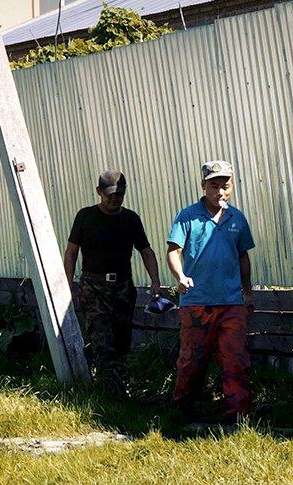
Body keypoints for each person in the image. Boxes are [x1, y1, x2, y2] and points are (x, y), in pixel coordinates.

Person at [167, 160, 255, 423]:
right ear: (203, 186)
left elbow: (243, 256)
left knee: (235, 359)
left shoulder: (236, 218)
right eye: (214, 186)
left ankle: (237, 415)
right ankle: (182, 411)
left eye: (225, 186)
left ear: (232, 186)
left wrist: (247, 292)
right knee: (192, 360)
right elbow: (173, 251)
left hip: (231, 303)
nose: (220, 192)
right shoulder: (187, 216)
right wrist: (180, 276)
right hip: (196, 303)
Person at [63, 170, 160, 395]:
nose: (114, 199)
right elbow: (71, 253)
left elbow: (146, 251)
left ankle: (119, 387)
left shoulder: (131, 219)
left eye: (119, 195)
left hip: (123, 286)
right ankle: (110, 393)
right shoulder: (86, 216)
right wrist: (68, 284)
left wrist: (155, 282)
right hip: (93, 286)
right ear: (99, 192)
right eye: (109, 195)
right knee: (101, 340)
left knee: (122, 339)